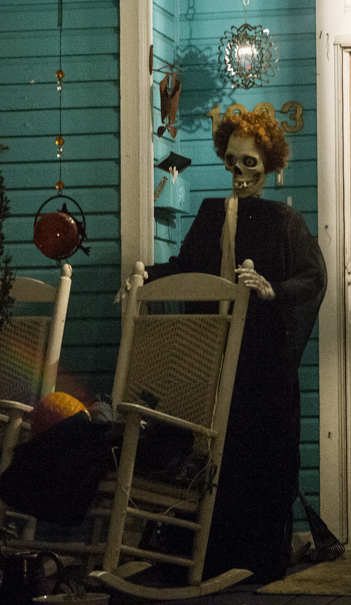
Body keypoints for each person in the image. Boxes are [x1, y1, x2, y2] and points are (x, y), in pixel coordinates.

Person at [144, 110, 327, 583]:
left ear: (269, 165)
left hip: (262, 366)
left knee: (259, 457)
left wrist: (272, 290)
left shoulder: (284, 221)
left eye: (251, 163)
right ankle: (209, 557)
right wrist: (144, 277)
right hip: (214, 358)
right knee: (214, 457)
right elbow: (186, 267)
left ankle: (258, 559)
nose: (240, 173)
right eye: (233, 161)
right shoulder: (212, 215)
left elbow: (313, 277)